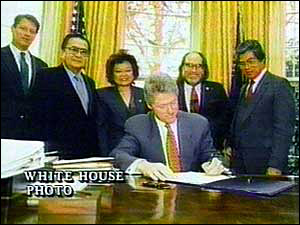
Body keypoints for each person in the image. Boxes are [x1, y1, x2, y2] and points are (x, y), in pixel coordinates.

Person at [110, 75, 226, 181]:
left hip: (191, 194)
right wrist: (142, 165)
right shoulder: (138, 125)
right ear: (150, 105)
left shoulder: (198, 123)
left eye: (173, 103)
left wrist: (215, 164)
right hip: (154, 194)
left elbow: (211, 155)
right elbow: (118, 155)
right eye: (162, 106)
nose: (170, 111)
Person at [230, 40, 296, 175]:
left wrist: (275, 165)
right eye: (242, 63)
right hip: (241, 164)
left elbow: (284, 130)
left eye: (251, 61)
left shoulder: (279, 85)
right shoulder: (245, 88)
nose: (247, 67)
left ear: (262, 60)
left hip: (266, 165)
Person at [32, 33, 99, 159]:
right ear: (63, 52)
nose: (78, 55)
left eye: (83, 52)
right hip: (56, 152)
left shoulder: (90, 82)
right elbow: (37, 117)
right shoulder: (46, 76)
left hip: (84, 153)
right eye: (73, 50)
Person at [1, 14, 48, 140]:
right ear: (13, 29)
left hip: (30, 133)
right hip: (3, 130)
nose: (27, 34)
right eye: (23, 28)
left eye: (32, 31)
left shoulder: (41, 66)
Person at [96, 51, 149, 156]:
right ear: (111, 74)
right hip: (113, 149)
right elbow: (100, 129)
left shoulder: (143, 93)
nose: (123, 75)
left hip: (141, 150)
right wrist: (104, 155)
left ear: (134, 72)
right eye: (118, 71)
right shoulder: (101, 95)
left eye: (128, 71)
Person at [176, 51, 231, 152]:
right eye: (189, 65)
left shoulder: (217, 90)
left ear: (204, 69)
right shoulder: (172, 90)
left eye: (198, 66)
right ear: (182, 68)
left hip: (210, 149)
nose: (193, 70)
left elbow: (226, 121)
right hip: (179, 150)